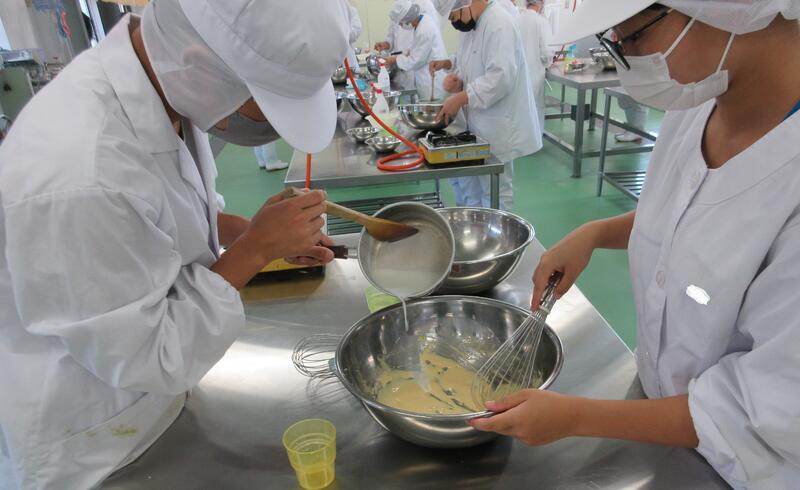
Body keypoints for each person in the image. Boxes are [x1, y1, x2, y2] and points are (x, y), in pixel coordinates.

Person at [0, 0, 350, 487]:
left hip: (158, 401)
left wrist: (247, 230)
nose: (265, 122)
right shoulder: (81, 169)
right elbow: (146, 353)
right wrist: (254, 250)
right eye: (263, 102)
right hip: (98, 440)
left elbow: (161, 212)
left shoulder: (164, 87)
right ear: (198, 61)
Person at [468, 1, 800, 488]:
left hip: (742, 470)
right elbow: (694, 215)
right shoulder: (700, 102)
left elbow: (757, 414)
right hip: (658, 413)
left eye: (635, 34)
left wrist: (575, 417)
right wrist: (596, 234)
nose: (625, 59)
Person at [430, 0, 541, 210]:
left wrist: (460, 98)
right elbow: (468, 60)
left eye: (453, 17)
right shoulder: (472, 25)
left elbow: (500, 79)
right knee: (476, 187)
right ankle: (476, 226)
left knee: (495, 190)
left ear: (465, 4)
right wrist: (456, 77)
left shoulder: (499, 24)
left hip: (498, 123)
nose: (454, 23)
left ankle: (497, 230)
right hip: (479, 122)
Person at [384, 0, 448, 101]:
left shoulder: (424, 30)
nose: (400, 26)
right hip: (425, 77)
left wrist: (395, 59)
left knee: (431, 109)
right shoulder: (422, 22)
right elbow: (418, 49)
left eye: (401, 23)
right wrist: (407, 53)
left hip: (431, 80)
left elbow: (416, 60)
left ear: (407, 18)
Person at [517, 0, 553, 133]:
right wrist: (549, 63)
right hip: (535, 74)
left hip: (517, 75)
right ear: (541, 3)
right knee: (535, 109)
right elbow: (547, 51)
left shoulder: (516, 19)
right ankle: (535, 138)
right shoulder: (540, 21)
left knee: (520, 109)